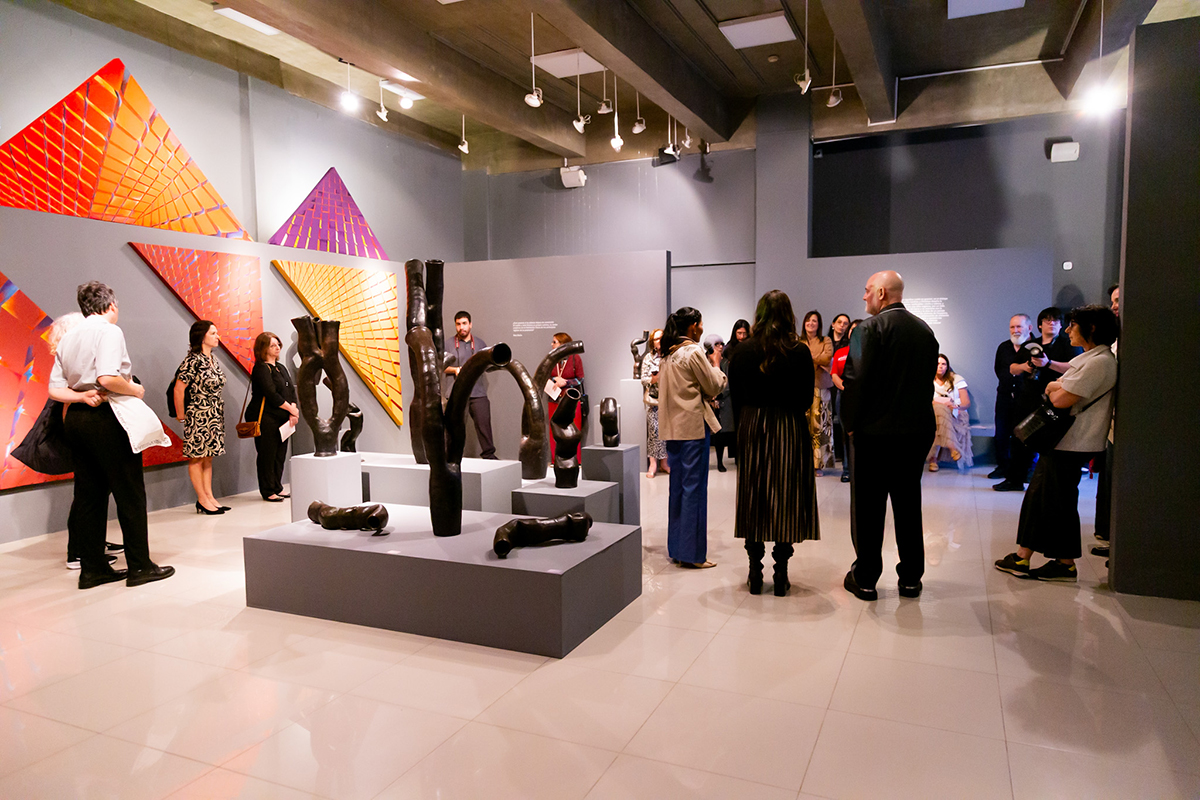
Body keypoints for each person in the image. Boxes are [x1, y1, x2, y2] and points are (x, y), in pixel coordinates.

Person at [48, 281, 174, 589]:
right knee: (129, 492)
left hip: (77, 419)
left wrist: (81, 396)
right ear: (111, 305)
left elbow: (54, 389)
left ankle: (92, 569)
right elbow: (107, 378)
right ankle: (140, 566)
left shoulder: (68, 337)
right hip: (109, 416)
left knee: (89, 495)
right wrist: (134, 389)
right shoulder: (109, 331)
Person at [995, 305, 1118, 582]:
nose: (1067, 329)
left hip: (1072, 442)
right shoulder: (1091, 359)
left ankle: (1062, 563)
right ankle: (1027, 557)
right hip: (1065, 442)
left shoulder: (1099, 362)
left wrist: (1054, 388)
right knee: (1044, 498)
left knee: (1056, 502)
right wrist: (1056, 387)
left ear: (1091, 328)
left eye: (1072, 324)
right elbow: (1058, 386)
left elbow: (1059, 398)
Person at [841, 271, 939, 600]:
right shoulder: (925, 331)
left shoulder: (867, 329)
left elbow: (855, 381)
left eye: (868, 290)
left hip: (874, 434)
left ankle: (866, 578)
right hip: (916, 432)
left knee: (869, 508)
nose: (864, 296)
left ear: (882, 293)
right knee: (908, 504)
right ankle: (911, 578)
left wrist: (850, 423)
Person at [728, 290, 819, 596]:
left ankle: (755, 571)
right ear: (788, 314)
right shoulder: (799, 351)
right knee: (786, 497)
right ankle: (781, 573)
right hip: (788, 426)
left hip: (752, 425)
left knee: (754, 496)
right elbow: (806, 399)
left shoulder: (742, 351)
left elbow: (736, 399)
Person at [50, 313, 123, 570]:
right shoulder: (72, 376)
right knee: (87, 492)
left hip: (80, 425)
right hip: (82, 426)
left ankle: (91, 545)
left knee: (92, 490)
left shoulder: (71, 370)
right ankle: (80, 551)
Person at [659, 307, 727, 569]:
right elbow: (713, 385)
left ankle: (677, 549)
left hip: (672, 429)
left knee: (677, 489)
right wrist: (717, 366)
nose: (702, 329)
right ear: (693, 326)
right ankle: (693, 554)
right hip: (693, 429)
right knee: (694, 491)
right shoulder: (692, 351)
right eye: (700, 325)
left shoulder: (668, 353)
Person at [994, 307, 1081, 491]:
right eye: (1047, 320)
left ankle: (1041, 481)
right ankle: (1015, 479)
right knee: (1019, 438)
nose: (1052, 323)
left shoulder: (1067, 344)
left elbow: (1075, 368)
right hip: (1027, 398)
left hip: (1055, 400)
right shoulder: (1030, 345)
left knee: (1049, 442)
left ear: (1061, 325)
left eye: (1055, 320)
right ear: (1040, 325)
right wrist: (1025, 367)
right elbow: (1012, 368)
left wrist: (1048, 364)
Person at [174, 320, 228, 515]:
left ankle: (209, 496)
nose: (217, 336)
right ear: (202, 336)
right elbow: (179, 389)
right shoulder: (193, 360)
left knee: (208, 457)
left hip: (214, 414)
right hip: (198, 413)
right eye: (212, 333)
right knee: (196, 457)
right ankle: (202, 499)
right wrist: (181, 415)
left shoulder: (213, 359)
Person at [248, 331, 299, 502]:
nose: (277, 348)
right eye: (272, 345)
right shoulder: (261, 368)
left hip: (283, 418)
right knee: (267, 455)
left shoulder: (280, 367)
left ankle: (277, 486)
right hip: (266, 418)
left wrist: (293, 409)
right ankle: (268, 490)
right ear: (263, 348)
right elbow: (271, 394)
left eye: (278, 344)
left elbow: (290, 390)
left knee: (280, 454)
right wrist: (291, 410)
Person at [444, 310, 496, 459]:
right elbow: (440, 366)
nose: (462, 327)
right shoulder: (448, 344)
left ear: (470, 324)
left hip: (478, 392)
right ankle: (451, 458)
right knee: (454, 428)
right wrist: (455, 370)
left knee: (484, 426)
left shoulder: (480, 344)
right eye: (458, 324)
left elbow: (488, 365)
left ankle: (489, 456)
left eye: (464, 323)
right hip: (456, 393)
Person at [1093, 284, 1120, 558]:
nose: (1115, 306)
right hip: (1111, 426)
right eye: (1112, 301)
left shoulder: (1100, 359)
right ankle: (1110, 538)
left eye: (1119, 300)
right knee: (1108, 482)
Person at [991, 314, 1034, 482]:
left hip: (1026, 399)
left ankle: (1027, 469)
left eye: (1019, 326)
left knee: (1026, 434)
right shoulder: (1004, 347)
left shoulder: (1035, 347)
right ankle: (1003, 467)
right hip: (1005, 396)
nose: (1015, 330)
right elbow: (999, 369)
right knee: (1001, 433)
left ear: (1029, 328)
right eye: (1012, 327)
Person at [801, 310, 835, 475]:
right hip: (801, 388)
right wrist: (816, 359)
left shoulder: (825, 340)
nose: (811, 323)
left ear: (819, 324)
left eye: (814, 321)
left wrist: (807, 358)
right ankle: (803, 462)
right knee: (803, 426)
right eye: (808, 320)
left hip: (821, 388)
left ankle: (817, 465)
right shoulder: (798, 341)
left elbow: (827, 358)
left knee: (819, 428)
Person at [928, 354, 974, 471]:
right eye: (937, 364)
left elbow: (966, 402)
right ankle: (952, 447)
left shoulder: (957, 379)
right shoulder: (927, 380)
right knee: (939, 410)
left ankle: (933, 460)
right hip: (934, 415)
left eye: (943, 364)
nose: (940, 366)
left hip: (956, 414)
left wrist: (955, 406)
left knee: (939, 418)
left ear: (947, 366)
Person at [830, 318, 862, 483]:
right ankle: (847, 470)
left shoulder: (869, 351)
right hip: (843, 396)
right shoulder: (840, 352)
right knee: (846, 434)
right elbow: (834, 374)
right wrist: (845, 388)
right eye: (852, 329)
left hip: (863, 396)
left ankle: (863, 469)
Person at [546, 331, 584, 460]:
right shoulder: (551, 358)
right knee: (554, 430)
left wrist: (566, 382)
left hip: (571, 400)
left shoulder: (575, 358)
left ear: (563, 344)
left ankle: (575, 460)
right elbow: (545, 375)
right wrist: (555, 379)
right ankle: (555, 459)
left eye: (554, 342)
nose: (551, 344)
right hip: (554, 398)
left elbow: (580, 379)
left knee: (573, 430)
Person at [640, 329, 670, 478]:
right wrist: (654, 379)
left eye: (661, 338)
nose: (659, 341)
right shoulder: (648, 358)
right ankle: (653, 464)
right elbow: (643, 379)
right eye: (657, 339)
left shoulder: (670, 356)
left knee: (667, 432)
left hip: (669, 400)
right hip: (654, 401)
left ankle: (665, 463)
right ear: (652, 342)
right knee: (654, 432)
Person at [703, 334, 733, 472]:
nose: (720, 347)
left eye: (722, 344)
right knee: (705, 434)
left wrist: (718, 395)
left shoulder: (726, 362)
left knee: (720, 434)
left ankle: (720, 462)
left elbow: (728, 382)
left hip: (722, 402)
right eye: (717, 344)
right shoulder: (702, 360)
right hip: (706, 402)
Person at [828, 313, 852, 467]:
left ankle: (842, 456)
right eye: (839, 322)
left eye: (845, 323)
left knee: (841, 421)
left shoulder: (848, 345)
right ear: (833, 324)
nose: (842, 325)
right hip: (826, 385)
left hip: (842, 386)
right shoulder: (826, 342)